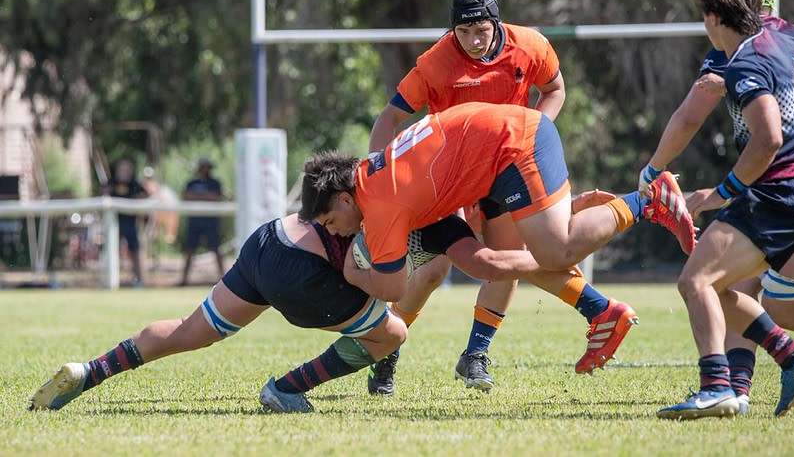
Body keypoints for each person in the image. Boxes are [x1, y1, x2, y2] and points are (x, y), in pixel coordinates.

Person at [30, 212, 600, 413]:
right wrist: (555, 253)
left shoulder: (389, 171)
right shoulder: (442, 214)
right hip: (306, 273)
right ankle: (285, 388)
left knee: (190, 332)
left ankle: (90, 372)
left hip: (268, 241)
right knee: (392, 332)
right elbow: (485, 263)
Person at [300, 103, 697, 380]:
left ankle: (647, 201)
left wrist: (352, 273)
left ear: (346, 198)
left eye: (332, 221)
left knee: (558, 249)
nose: (335, 231)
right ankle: (600, 307)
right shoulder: (370, 175)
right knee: (486, 264)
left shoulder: (380, 204)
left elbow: (391, 287)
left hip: (514, 145)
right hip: (489, 161)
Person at [367, 0, 567, 394]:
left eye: (481, 31)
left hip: (504, 170)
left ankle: (475, 355)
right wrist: (379, 174)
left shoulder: (530, 45)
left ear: (496, 23)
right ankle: (387, 347)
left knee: (506, 259)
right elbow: (389, 119)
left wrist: (534, 137)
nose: (473, 42)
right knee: (432, 269)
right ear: (451, 30)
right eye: (463, 33)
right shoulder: (435, 63)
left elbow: (555, 90)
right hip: (448, 176)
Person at [638, 0, 794, 417]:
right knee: (726, 286)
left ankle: (716, 387)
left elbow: (768, 138)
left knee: (695, 280)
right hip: (789, 192)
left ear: (714, 18)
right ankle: (789, 357)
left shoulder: (743, 60)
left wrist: (721, 192)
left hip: (778, 192)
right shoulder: (790, 40)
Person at [101, 158, 148, 286]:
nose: (123, 172)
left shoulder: (134, 184)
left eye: (126, 170)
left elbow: (145, 195)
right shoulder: (111, 183)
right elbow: (102, 194)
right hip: (113, 224)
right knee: (111, 250)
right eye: (121, 169)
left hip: (130, 223)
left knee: (135, 251)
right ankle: (110, 279)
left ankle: (139, 280)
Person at [181, 158, 225, 286]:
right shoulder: (191, 182)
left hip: (211, 221)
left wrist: (197, 196)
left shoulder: (215, 183)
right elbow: (186, 196)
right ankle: (184, 279)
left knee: (216, 248)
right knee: (190, 249)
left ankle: (223, 279)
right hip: (194, 220)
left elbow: (215, 197)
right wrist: (205, 196)